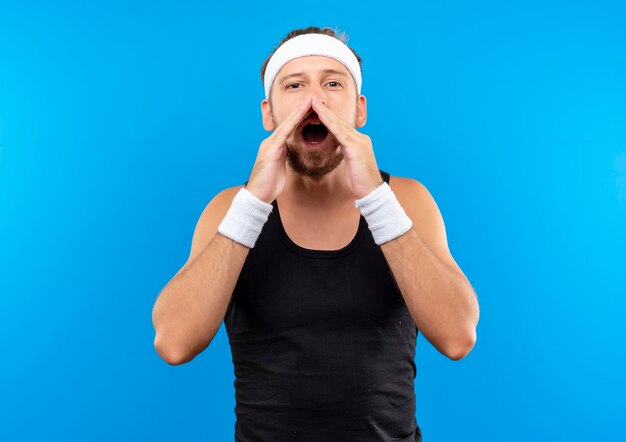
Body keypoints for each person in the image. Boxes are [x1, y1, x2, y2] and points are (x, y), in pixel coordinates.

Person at [152, 26, 480, 441]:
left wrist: (377, 201)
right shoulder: (229, 209)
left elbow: (458, 337)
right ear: (268, 113)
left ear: (359, 110)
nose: (314, 100)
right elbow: (174, 343)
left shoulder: (407, 201)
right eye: (294, 85)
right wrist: (252, 204)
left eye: (332, 83)